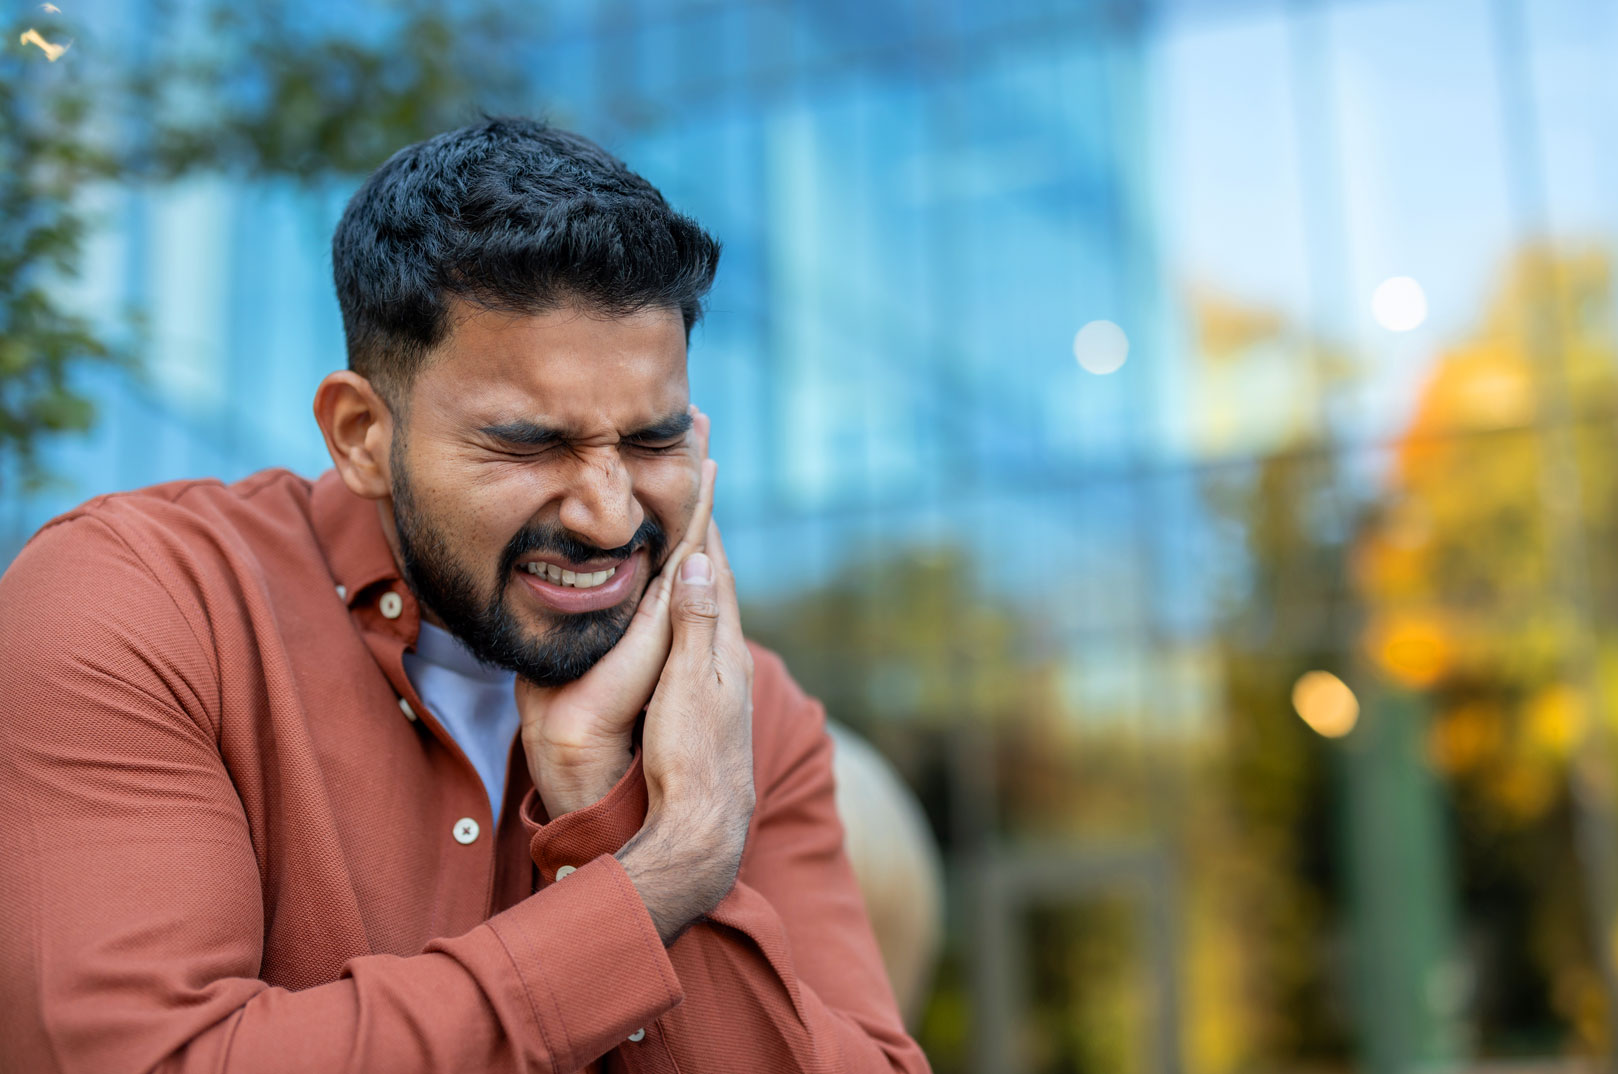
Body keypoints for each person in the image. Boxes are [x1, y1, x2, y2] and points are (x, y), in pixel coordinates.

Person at [0, 118, 928, 1074]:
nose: (610, 520)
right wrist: (662, 870)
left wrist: (607, 802)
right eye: (529, 445)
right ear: (361, 434)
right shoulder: (138, 607)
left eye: (654, 442)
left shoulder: (744, 711)